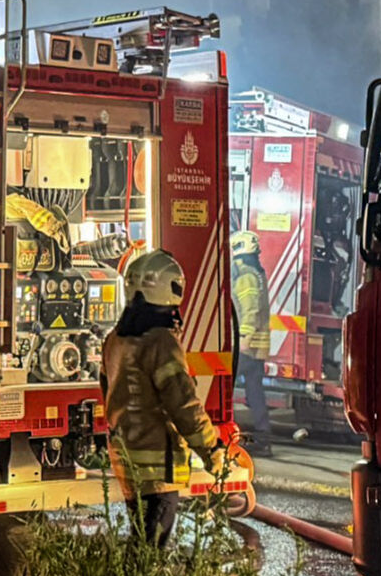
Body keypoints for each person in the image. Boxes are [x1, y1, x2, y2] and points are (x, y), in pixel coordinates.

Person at [101, 249, 241, 546]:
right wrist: (212, 449)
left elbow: (107, 390)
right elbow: (183, 404)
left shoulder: (115, 338)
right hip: (157, 467)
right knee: (151, 550)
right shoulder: (161, 342)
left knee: (142, 542)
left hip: (127, 460)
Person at [228, 229, 273, 447]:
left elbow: (250, 309)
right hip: (258, 346)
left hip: (247, 344)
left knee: (225, 386)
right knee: (255, 392)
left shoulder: (245, 274)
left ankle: (226, 432)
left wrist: (244, 337)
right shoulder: (257, 272)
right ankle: (263, 437)